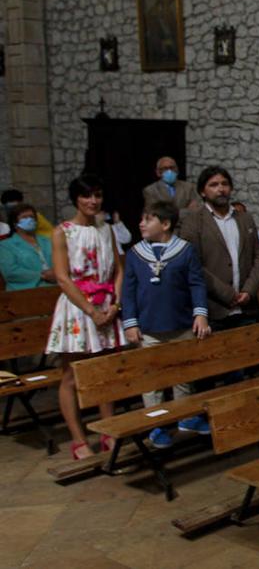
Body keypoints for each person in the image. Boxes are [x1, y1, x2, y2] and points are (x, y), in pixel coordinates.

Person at [44, 175, 124, 460]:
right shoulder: (62, 232)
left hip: (106, 306)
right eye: (87, 196)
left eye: (98, 195)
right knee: (71, 376)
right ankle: (78, 440)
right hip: (78, 309)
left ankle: (108, 433)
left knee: (103, 374)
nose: (93, 201)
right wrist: (91, 310)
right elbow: (63, 279)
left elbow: (118, 270)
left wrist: (114, 306)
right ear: (76, 199)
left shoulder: (107, 229)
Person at [120, 201, 212, 449]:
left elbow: (196, 284)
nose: (141, 224)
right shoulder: (135, 254)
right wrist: (130, 323)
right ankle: (156, 424)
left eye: (147, 219)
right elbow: (128, 292)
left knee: (183, 373)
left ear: (166, 224)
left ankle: (186, 417)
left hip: (181, 324)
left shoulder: (185, 250)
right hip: (148, 328)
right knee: (153, 380)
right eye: (141, 219)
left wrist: (200, 314)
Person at [177, 166, 259, 332]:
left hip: (248, 308)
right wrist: (226, 293)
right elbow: (192, 264)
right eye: (214, 185)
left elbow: (258, 256)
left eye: (224, 184)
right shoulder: (193, 222)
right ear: (203, 192)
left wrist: (249, 289)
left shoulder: (245, 218)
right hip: (215, 309)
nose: (221, 189)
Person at [0, 203, 55, 290]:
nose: (29, 219)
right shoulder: (5, 245)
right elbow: (10, 272)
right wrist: (42, 275)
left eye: (32, 217)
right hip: (23, 291)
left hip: (54, 286)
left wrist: (56, 273)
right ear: (15, 223)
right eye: (24, 217)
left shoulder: (47, 241)